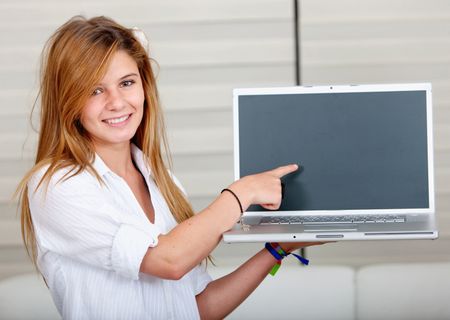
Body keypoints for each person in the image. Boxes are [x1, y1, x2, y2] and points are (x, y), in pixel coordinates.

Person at [16, 15, 324, 320]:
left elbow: (198, 308)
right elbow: (169, 260)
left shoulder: (164, 184)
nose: (117, 102)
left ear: (144, 86)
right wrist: (242, 192)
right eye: (95, 90)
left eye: (126, 83)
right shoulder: (56, 185)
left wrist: (277, 249)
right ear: (68, 100)